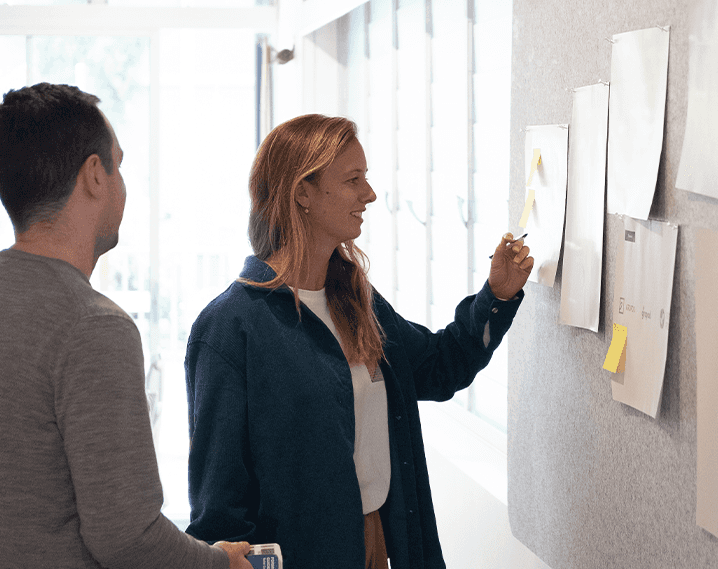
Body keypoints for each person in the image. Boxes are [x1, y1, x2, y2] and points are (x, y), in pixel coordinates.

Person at [185, 113, 533, 568]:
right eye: (353, 180)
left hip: (383, 541)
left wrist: (497, 297)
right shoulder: (229, 328)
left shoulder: (357, 300)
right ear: (303, 193)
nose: (369, 194)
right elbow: (219, 509)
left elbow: (440, 367)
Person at [0, 83, 252, 568]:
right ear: (95, 175)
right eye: (119, 164)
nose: (126, 188)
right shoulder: (92, 327)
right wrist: (217, 564)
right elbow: (126, 537)